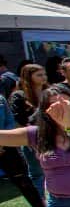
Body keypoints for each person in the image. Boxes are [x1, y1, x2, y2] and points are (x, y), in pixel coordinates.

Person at [10, 63, 47, 195]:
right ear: (28, 77)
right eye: (39, 75)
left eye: (44, 74)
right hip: (31, 137)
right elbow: (18, 119)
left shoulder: (49, 92)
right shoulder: (19, 95)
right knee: (37, 172)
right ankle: (42, 205)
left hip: (51, 136)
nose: (43, 78)